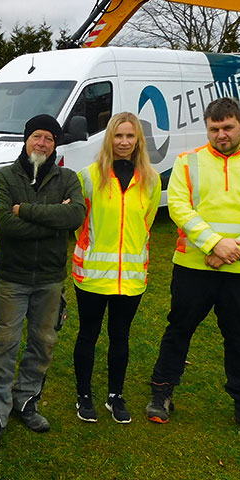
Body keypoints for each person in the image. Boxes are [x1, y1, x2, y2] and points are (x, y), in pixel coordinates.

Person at [146, 97, 240, 446]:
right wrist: (213, 244)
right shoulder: (188, 162)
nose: (221, 134)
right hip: (194, 267)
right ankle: (162, 392)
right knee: (178, 329)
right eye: (214, 129)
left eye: (227, 128)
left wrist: (233, 248)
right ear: (207, 129)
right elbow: (179, 206)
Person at [0, 114, 85, 450]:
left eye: (49, 138)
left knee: (43, 344)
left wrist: (26, 210)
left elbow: (76, 216)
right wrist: (54, 219)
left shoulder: (67, 177)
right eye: (37, 136)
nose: (42, 143)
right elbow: (5, 225)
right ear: (26, 140)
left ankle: (26, 402)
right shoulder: (3, 178)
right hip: (13, 277)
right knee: (3, 347)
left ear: (55, 144)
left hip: (51, 279)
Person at [71, 113, 160, 424]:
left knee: (120, 336)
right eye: (118, 136)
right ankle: (84, 394)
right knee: (88, 334)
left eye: (130, 136)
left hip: (131, 277)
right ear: (109, 138)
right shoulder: (89, 176)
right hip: (92, 275)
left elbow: (146, 223)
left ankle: (115, 395)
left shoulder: (151, 179)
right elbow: (78, 223)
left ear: (138, 140)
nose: (124, 142)